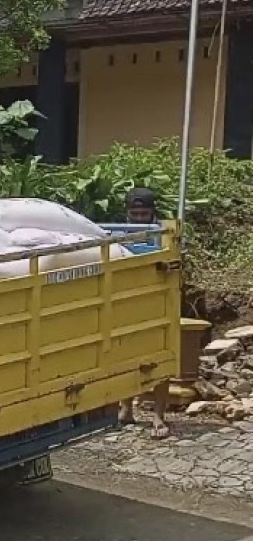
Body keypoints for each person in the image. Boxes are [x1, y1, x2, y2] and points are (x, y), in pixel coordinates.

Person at [116, 186, 170, 439]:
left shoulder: (165, 234)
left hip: (158, 304)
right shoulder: (118, 235)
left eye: (143, 214)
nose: (139, 219)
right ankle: (126, 408)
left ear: (152, 212)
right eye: (135, 214)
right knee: (125, 357)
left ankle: (158, 416)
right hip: (127, 303)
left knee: (161, 360)